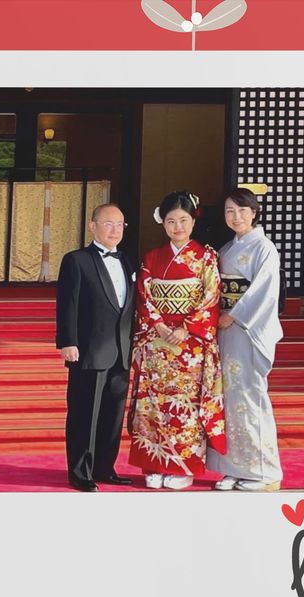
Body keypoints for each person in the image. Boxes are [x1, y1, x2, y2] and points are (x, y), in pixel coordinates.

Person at [127, 191, 225, 490]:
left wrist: (186, 327)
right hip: (157, 345)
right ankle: (152, 464)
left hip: (189, 346)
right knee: (153, 406)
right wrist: (157, 325)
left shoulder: (206, 257)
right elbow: (144, 296)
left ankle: (183, 467)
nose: (177, 227)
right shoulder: (152, 257)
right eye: (171, 221)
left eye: (183, 220)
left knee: (184, 408)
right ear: (163, 223)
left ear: (193, 221)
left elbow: (211, 296)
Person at [206, 188, 284, 491]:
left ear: (254, 212)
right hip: (225, 330)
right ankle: (236, 467)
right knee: (228, 399)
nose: (235, 217)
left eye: (241, 210)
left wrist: (234, 315)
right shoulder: (226, 249)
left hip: (246, 329)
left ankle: (264, 471)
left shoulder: (264, 248)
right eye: (229, 211)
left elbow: (264, 292)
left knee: (249, 398)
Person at [55, 203, 136, 492]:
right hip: (88, 350)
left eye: (120, 225)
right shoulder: (76, 260)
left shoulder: (128, 261)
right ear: (93, 226)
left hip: (122, 351)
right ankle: (80, 472)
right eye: (108, 224)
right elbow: (68, 303)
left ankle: (104, 467)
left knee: (113, 415)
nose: (115, 230)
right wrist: (67, 341)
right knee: (84, 413)